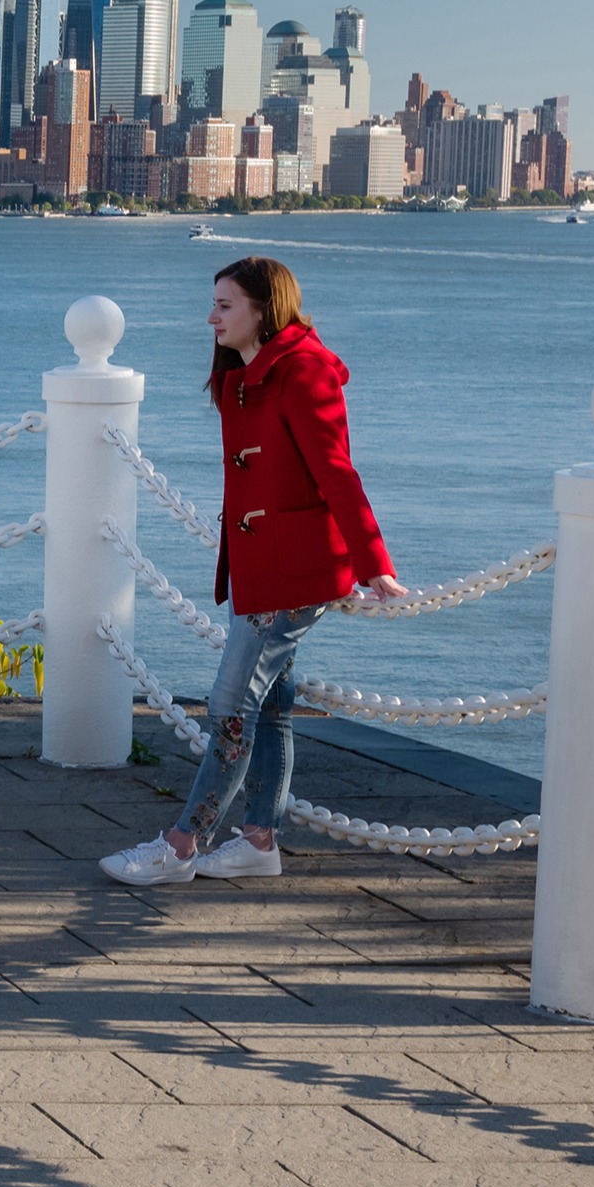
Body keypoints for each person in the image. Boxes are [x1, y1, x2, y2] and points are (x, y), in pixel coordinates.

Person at [102, 257, 405, 886]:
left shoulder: (303, 370)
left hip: (293, 570)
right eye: (213, 303)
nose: (210, 317)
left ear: (263, 310)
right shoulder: (246, 373)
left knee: (231, 705)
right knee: (269, 709)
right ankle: (259, 842)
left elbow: (337, 472)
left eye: (225, 305)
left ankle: (183, 845)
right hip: (258, 564)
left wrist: (374, 562)